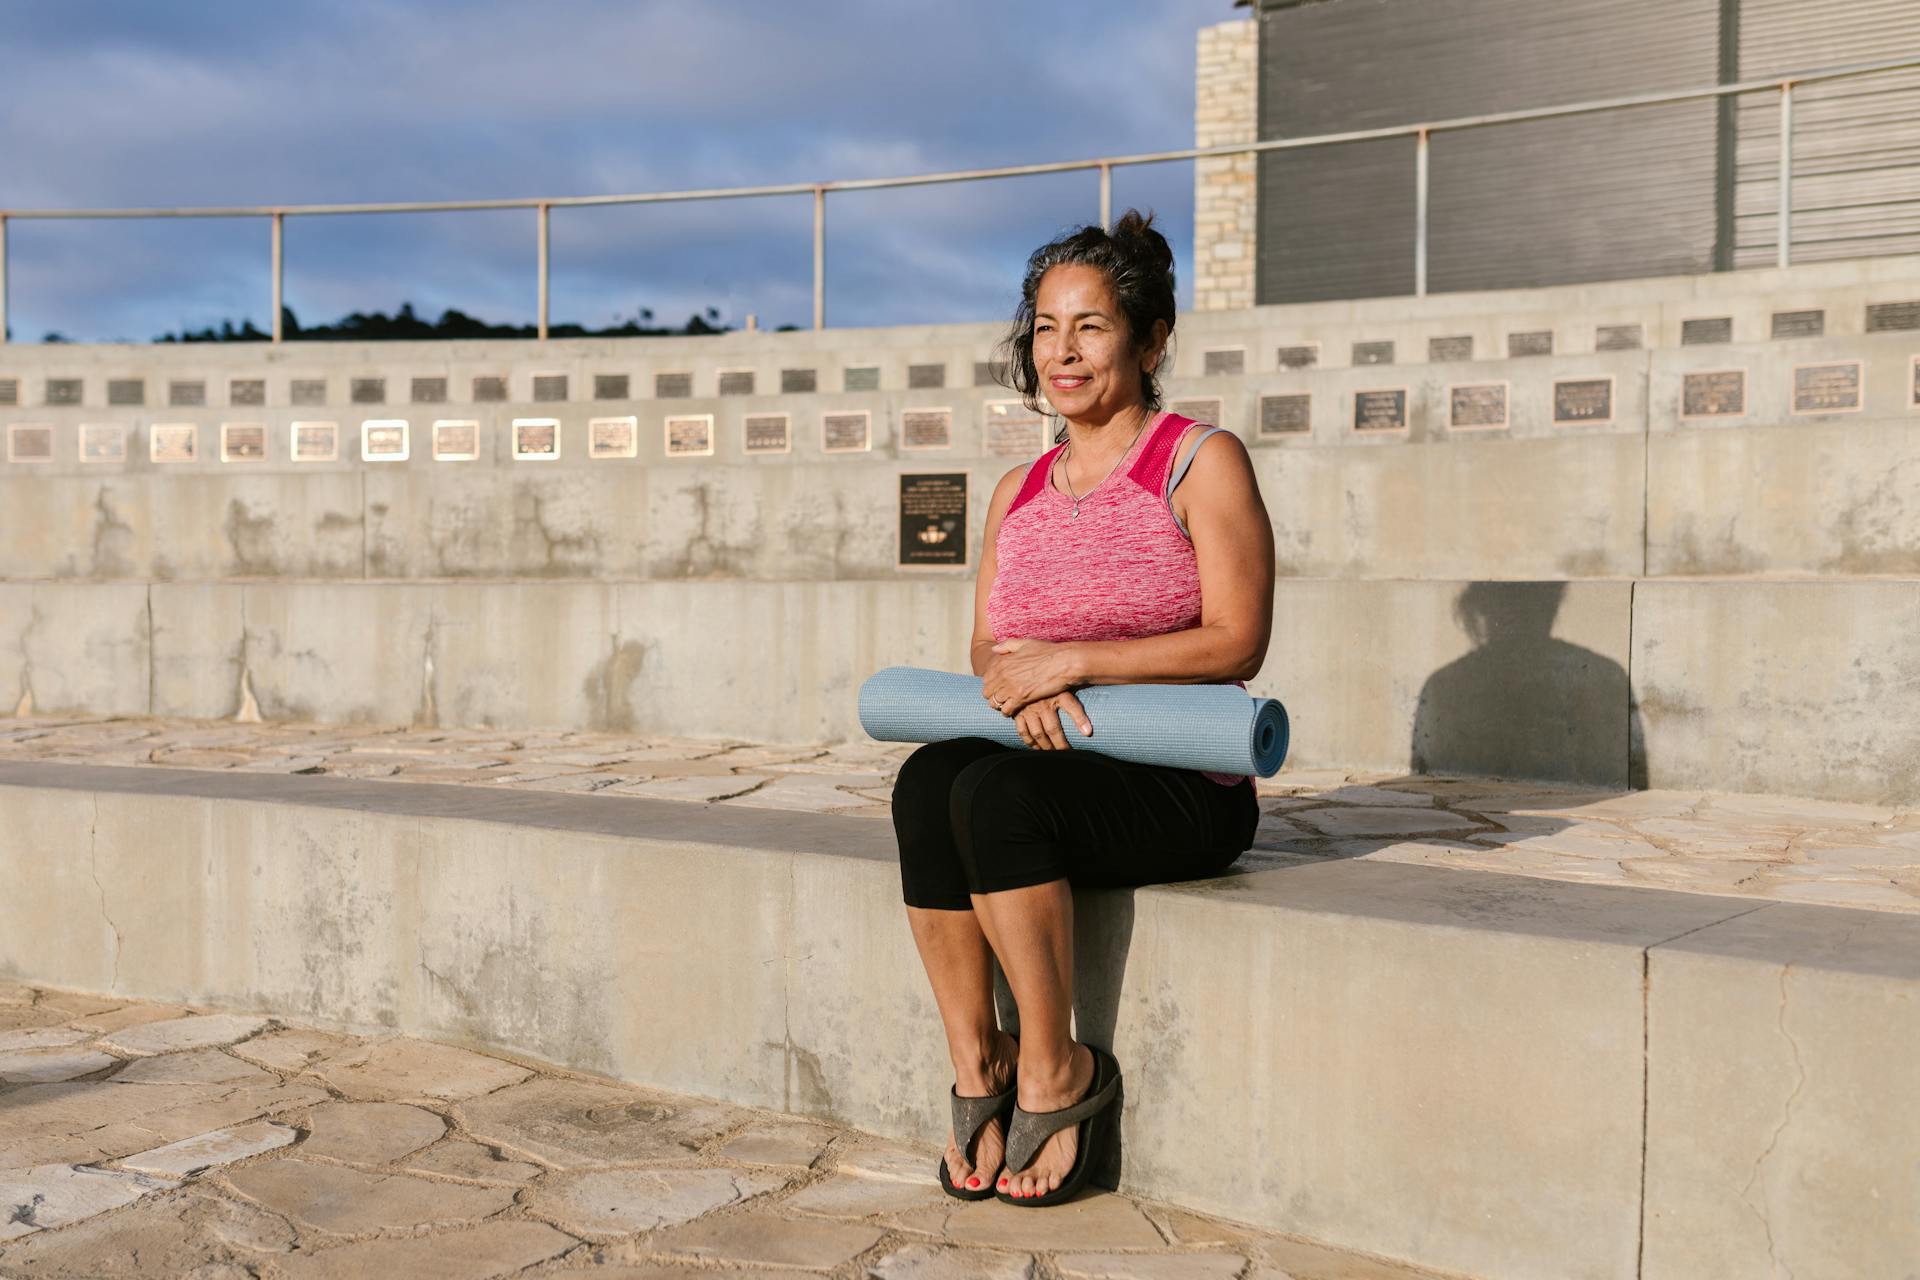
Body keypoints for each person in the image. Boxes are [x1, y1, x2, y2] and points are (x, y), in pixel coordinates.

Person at [890, 210, 1276, 1207]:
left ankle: (1060, 1069)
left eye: (1092, 326)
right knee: (931, 780)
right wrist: (1021, 675)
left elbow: (1239, 639)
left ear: (1149, 342)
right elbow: (987, 643)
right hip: (1054, 755)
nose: (1062, 350)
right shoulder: (1017, 486)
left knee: (998, 798)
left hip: (1178, 781)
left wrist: (1071, 662)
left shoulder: (1201, 460)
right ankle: (982, 1061)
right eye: (1047, 326)